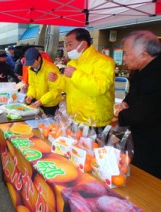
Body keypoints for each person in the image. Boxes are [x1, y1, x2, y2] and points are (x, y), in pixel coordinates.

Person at [49, 28, 115, 127]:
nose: (67, 49)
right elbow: (68, 87)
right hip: (74, 118)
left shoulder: (104, 62)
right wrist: (57, 80)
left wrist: (75, 74)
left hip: (94, 122)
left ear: (83, 44)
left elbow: (98, 88)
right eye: (66, 45)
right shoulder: (72, 63)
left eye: (70, 44)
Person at [117, 30, 161, 179]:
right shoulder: (143, 71)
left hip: (152, 147)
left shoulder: (154, 77)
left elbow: (139, 115)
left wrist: (122, 113)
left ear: (143, 54)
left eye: (126, 53)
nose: (123, 58)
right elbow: (132, 100)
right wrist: (125, 104)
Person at [24, 47, 62, 116]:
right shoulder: (30, 69)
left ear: (38, 58)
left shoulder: (51, 69)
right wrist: (30, 95)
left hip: (50, 105)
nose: (31, 65)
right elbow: (32, 85)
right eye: (29, 63)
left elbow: (55, 91)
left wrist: (42, 101)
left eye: (32, 63)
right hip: (38, 102)